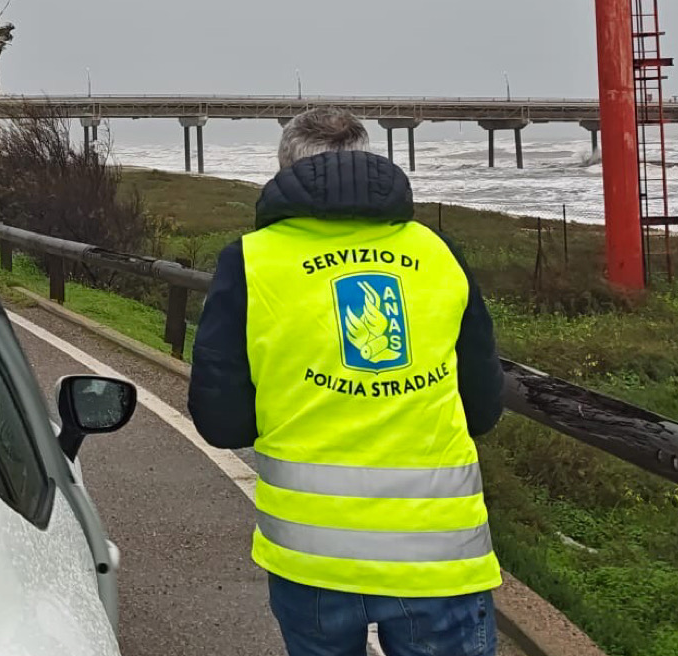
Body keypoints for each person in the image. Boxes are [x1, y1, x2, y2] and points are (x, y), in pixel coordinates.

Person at [187, 107, 505, 656]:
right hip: (440, 551)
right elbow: (483, 407)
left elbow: (220, 422)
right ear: (368, 158)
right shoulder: (438, 252)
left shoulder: (250, 261)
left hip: (310, 554)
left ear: (285, 168)